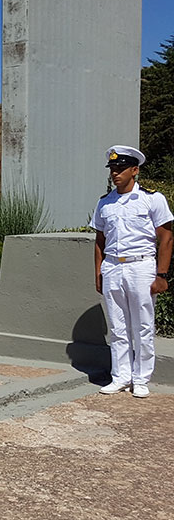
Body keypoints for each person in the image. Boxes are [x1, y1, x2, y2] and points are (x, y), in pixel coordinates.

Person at [92, 145, 173, 397]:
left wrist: (161, 275)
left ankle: (141, 378)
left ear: (134, 170)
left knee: (143, 325)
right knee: (117, 326)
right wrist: (98, 272)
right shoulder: (105, 203)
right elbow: (100, 240)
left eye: (121, 168)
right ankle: (120, 376)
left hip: (141, 266)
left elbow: (167, 236)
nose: (115, 173)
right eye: (112, 169)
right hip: (113, 266)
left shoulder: (152, 198)